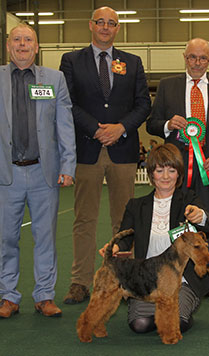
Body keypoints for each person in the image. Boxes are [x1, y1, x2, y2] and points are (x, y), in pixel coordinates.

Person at [60, 6, 151, 304]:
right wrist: (97, 128)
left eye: (112, 23)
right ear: (91, 25)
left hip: (123, 152)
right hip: (87, 148)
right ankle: (80, 282)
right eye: (101, 22)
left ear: (117, 28)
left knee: (123, 222)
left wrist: (121, 127)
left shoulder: (133, 62)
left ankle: (125, 280)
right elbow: (68, 102)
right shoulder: (71, 61)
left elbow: (143, 105)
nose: (106, 27)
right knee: (84, 219)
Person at [146, 38, 209, 299]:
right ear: (184, 57)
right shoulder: (167, 86)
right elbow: (151, 124)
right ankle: (171, 277)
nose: (197, 63)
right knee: (174, 225)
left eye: (203, 58)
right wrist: (168, 124)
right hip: (173, 173)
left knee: (208, 225)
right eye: (192, 57)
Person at [0, 24, 76, 318]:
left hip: (45, 173)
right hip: (7, 175)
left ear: (37, 46)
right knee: (6, 238)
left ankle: (44, 295)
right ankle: (8, 296)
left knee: (45, 237)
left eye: (28, 39)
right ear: (8, 46)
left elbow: (64, 124)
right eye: (16, 40)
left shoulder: (54, 79)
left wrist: (68, 164)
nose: (22, 44)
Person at [100, 143, 209, 333]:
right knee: (140, 325)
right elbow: (125, 237)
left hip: (182, 281)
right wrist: (114, 248)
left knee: (178, 323)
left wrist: (200, 216)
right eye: (160, 170)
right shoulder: (136, 206)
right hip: (146, 279)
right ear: (151, 173)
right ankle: (154, 310)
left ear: (178, 173)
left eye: (171, 170)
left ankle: (181, 312)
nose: (165, 176)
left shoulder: (188, 199)